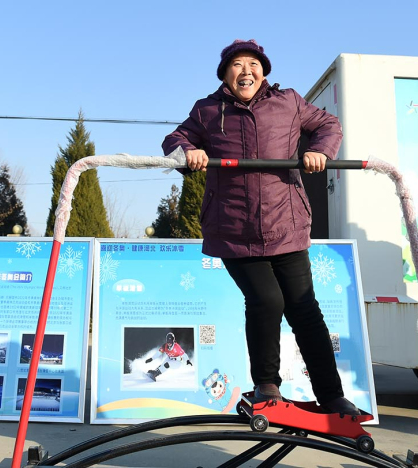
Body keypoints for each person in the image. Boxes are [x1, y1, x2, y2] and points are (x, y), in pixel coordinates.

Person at [162, 39, 359, 415]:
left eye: (253, 64)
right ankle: (267, 387)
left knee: (304, 309)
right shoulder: (207, 110)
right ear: (225, 76)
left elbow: (328, 125)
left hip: (286, 223)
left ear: (264, 72)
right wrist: (189, 153)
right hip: (233, 229)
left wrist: (320, 151)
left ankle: (332, 396)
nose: (246, 71)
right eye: (237, 65)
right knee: (267, 300)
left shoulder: (288, 102)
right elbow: (174, 140)